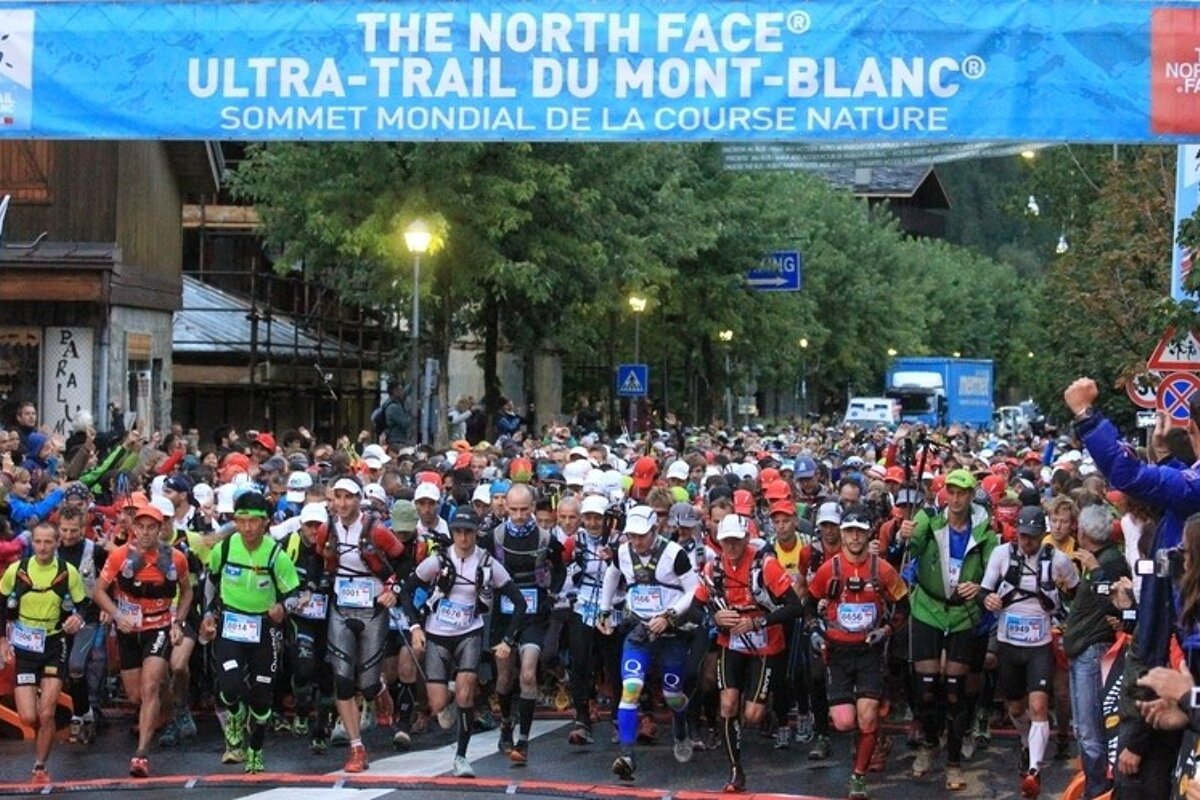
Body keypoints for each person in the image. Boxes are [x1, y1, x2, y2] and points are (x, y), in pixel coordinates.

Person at [401, 508, 527, 777]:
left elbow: (519, 602)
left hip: (469, 632)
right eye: (458, 531)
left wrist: (508, 639)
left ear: (476, 534)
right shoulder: (439, 560)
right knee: (437, 705)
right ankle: (449, 690)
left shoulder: (488, 563)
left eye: (468, 532)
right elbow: (406, 590)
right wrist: (415, 627)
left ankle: (461, 756)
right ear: (452, 533)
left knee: (465, 693)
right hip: (437, 633)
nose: (463, 538)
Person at [898, 468, 997, 789]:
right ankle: (929, 743)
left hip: (962, 614)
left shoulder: (985, 531)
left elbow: (995, 571)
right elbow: (910, 545)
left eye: (962, 493)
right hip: (928, 607)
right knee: (926, 687)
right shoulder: (931, 518)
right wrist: (905, 533)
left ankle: (953, 763)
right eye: (951, 492)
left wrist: (980, 587)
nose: (955, 499)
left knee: (955, 691)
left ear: (970, 496)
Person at [693, 513, 803, 793]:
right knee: (727, 704)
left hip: (765, 644)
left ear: (745, 539)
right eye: (726, 541)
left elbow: (794, 607)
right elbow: (697, 605)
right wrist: (715, 617)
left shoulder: (765, 565)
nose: (731, 547)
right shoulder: (712, 568)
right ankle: (735, 771)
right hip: (731, 643)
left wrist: (757, 621)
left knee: (752, 714)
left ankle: (762, 712)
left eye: (736, 541)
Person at [808, 505, 910, 800]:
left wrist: (887, 630)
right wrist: (816, 632)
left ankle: (858, 777)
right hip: (837, 652)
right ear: (841, 533)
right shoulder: (829, 569)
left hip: (869, 651)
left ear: (869, 534)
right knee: (843, 721)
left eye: (860, 532)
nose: (854, 538)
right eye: (849, 531)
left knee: (866, 717)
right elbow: (808, 603)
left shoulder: (883, 569)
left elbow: (904, 605)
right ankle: (870, 737)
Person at [981, 505, 1079, 799]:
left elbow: (1075, 590)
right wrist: (989, 602)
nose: (1028, 542)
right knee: (1016, 708)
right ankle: (1027, 741)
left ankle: (1035, 769)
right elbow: (985, 590)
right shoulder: (1001, 555)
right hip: (1009, 643)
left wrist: (1061, 602)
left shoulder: (1057, 560)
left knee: (1038, 707)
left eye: (1034, 537)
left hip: (1039, 645)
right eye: (1023, 536)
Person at [199, 490, 301, 774]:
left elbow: (295, 592)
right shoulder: (227, 548)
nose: (247, 528)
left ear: (265, 522)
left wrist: (283, 607)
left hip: (263, 629)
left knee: (261, 696)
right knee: (229, 687)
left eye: (253, 522)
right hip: (231, 624)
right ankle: (234, 716)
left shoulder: (275, 554)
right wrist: (208, 613)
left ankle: (255, 748)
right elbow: (210, 580)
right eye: (241, 521)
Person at [598, 504, 699, 782]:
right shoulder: (623, 551)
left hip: (670, 634)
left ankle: (680, 726)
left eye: (642, 535)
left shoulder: (674, 554)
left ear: (655, 530)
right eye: (632, 535)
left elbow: (694, 590)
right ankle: (627, 756)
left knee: (672, 694)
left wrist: (669, 616)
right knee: (631, 689)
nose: (637, 541)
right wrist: (604, 609)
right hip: (639, 631)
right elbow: (612, 574)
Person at [93, 502, 192, 779]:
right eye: (141, 527)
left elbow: (186, 592)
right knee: (137, 694)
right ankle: (172, 704)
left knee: (149, 687)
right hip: (128, 628)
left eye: (151, 527)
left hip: (158, 626)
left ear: (161, 530)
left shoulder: (176, 558)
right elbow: (98, 591)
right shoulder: (120, 557)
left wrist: (178, 622)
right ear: (133, 528)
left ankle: (141, 755)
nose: (145, 533)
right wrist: (114, 614)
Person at [315, 476, 406, 773]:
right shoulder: (327, 529)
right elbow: (322, 558)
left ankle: (378, 690)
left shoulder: (376, 531)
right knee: (342, 678)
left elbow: (402, 562)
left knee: (366, 683)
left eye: (348, 497)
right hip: (342, 606)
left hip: (372, 606)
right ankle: (356, 748)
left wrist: (393, 589)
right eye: (337, 497)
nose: (342, 503)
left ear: (358, 500)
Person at [0, 521, 89, 783]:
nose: (42, 547)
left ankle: (40, 766)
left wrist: (78, 619)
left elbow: (84, 605)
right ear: (32, 543)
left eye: (48, 541)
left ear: (56, 543)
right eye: (38, 541)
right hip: (25, 646)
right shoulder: (17, 570)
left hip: (54, 643)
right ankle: (44, 730)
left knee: (47, 712)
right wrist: (3, 641)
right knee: (29, 716)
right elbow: (2, 604)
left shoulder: (67, 571)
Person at [484, 483, 565, 764]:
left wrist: (552, 591)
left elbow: (561, 567)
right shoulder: (493, 537)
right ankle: (507, 721)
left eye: (524, 510)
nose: (519, 516)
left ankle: (524, 741)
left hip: (533, 614)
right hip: (503, 616)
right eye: (514, 509)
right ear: (505, 507)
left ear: (533, 508)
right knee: (504, 677)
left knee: (528, 674)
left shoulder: (546, 538)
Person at [1063, 504, 1130, 799]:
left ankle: (1098, 791)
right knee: (1084, 730)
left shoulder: (1109, 561)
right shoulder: (1102, 558)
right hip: (1083, 650)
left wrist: (1095, 570)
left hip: (1093, 650)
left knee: (1091, 732)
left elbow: (1110, 603)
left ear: (1085, 531)